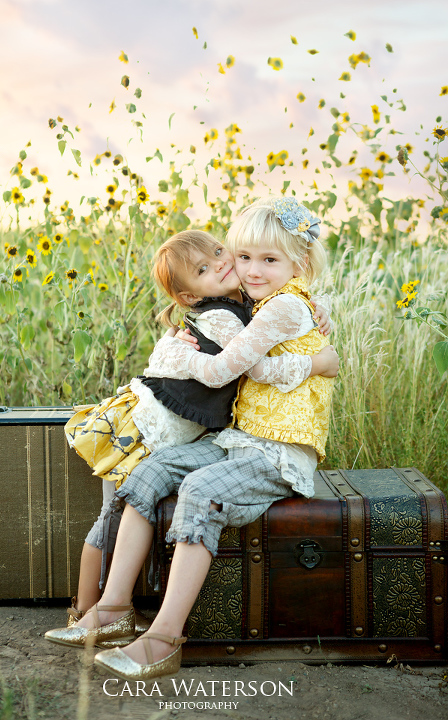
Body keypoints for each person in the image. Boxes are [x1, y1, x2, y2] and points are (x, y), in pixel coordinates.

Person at [46, 194, 338, 681]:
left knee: (199, 492)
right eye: (243, 257)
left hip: (280, 452)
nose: (251, 271)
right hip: (239, 438)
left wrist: (318, 362)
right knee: (152, 469)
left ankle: (162, 638)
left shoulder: (283, 306)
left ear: (299, 263)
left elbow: (239, 366)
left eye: (268, 260)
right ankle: (115, 606)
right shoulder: (267, 298)